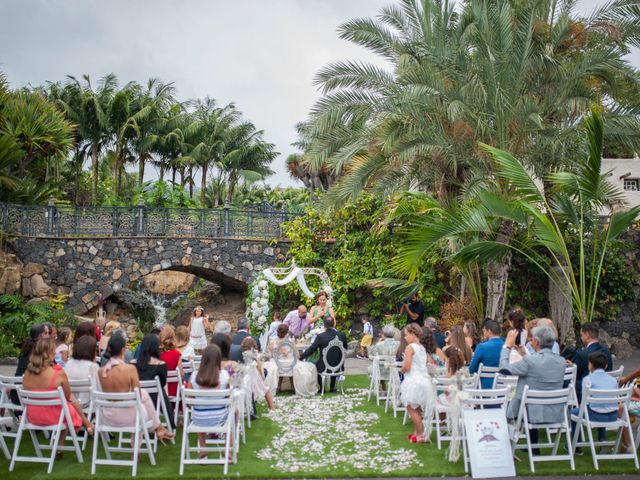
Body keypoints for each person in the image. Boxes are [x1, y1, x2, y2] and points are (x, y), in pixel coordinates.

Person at [98, 334, 174, 444]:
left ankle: (158, 428)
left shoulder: (100, 371)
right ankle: (141, 444)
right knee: (142, 400)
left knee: (142, 398)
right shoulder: (129, 369)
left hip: (106, 417)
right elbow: (137, 397)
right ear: (123, 350)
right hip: (130, 417)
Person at [22, 338, 93, 440]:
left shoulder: (27, 374)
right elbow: (68, 397)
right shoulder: (58, 373)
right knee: (68, 402)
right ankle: (86, 423)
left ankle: (62, 445)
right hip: (56, 417)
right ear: (51, 353)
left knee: (64, 405)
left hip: (33, 416)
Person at [499, 326, 566, 423]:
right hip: (554, 412)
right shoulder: (561, 362)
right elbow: (540, 368)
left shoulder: (530, 361)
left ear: (536, 342)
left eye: (532, 339)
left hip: (527, 413)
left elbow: (503, 369)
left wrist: (507, 347)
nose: (530, 341)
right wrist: (524, 355)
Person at [186, 344, 230, 459]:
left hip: (199, 420)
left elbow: (190, 398)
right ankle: (228, 450)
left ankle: (202, 448)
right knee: (233, 412)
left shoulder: (194, 376)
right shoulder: (224, 375)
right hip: (220, 419)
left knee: (199, 410)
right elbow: (230, 396)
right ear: (218, 359)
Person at [571, 351, 618, 450]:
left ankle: (575, 446)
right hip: (613, 416)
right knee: (600, 407)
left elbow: (584, 403)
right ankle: (602, 440)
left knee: (574, 413)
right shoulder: (613, 380)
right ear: (605, 366)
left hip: (595, 416)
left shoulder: (588, 379)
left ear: (590, 366)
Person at [399, 323, 434, 443]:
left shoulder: (410, 347)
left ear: (413, 334)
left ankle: (422, 434)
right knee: (417, 408)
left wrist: (401, 369)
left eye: (406, 334)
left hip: (413, 381)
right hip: (424, 380)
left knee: (411, 408)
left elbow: (407, 366)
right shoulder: (422, 348)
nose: (405, 337)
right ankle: (417, 432)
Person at [299, 317, 348, 392]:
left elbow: (312, 349)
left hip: (324, 366)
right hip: (338, 366)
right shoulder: (342, 335)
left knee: (315, 365)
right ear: (334, 324)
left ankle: (322, 388)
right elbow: (345, 349)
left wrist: (301, 356)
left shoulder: (321, 337)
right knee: (334, 359)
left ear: (324, 325)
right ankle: (332, 387)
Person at [571, 323, 613, 401]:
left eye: (581, 335)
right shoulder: (606, 351)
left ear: (587, 335)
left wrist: (573, 367)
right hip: (605, 391)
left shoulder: (582, 354)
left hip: (586, 394)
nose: (581, 338)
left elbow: (575, 375)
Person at [241, 337, 275, 410]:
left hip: (246, 376)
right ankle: (272, 407)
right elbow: (259, 367)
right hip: (254, 376)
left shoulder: (243, 353)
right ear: (253, 345)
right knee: (266, 389)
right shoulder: (253, 355)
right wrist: (261, 377)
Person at [469, 320, 505, 388]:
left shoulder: (482, 347)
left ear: (489, 331)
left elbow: (472, 369)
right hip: (502, 387)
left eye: (484, 330)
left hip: (483, 388)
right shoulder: (507, 346)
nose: (483, 332)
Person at [64, 335, 99, 405]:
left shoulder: (68, 364)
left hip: (70, 405)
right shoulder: (93, 367)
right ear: (92, 351)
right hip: (89, 405)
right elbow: (98, 389)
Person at [159, 325, 183, 399]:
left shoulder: (157, 354)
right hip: (175, 391)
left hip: (161, 391)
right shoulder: (176, 353)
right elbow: (181, 374)